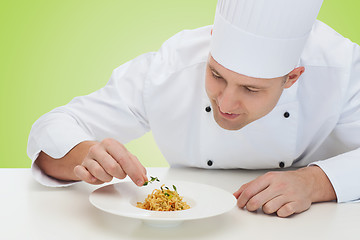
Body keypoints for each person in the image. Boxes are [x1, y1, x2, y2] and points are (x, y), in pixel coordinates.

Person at [27, 0, 360, 218]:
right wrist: (84, 154)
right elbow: (53, 127)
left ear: (292, 78)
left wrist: (316, 182)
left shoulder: (341, 69)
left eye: (251, 89)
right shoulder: (168, 69)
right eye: (216, 75)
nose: (226, 103)